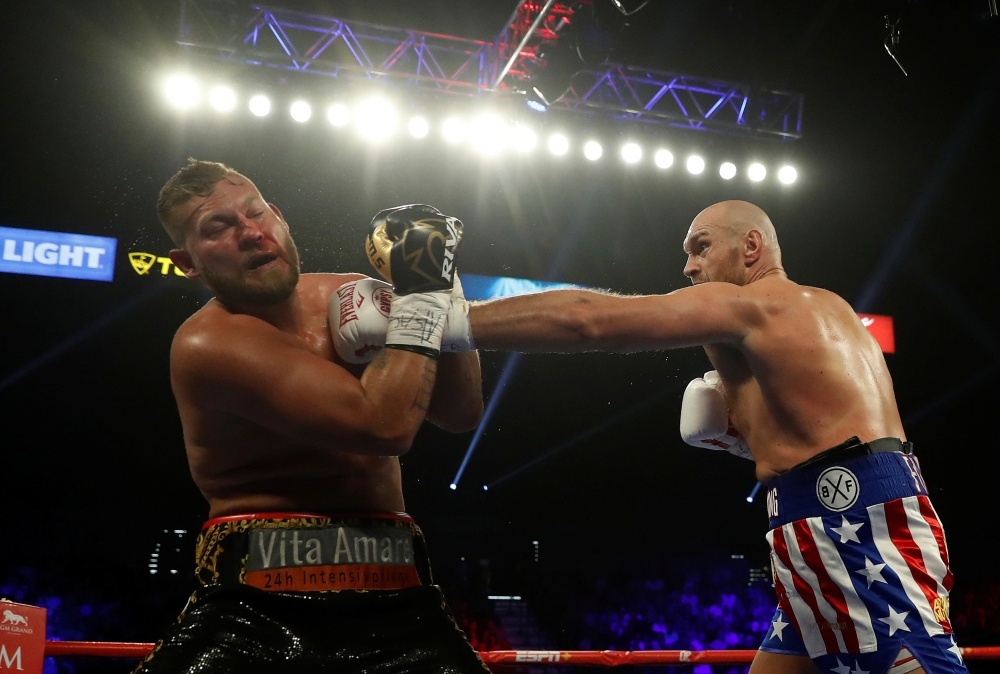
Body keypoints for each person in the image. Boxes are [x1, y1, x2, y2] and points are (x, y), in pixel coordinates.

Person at [337, 200, 962, 674]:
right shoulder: (822, 309)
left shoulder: (755, 306)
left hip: (850, 522)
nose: (687, 265)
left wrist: (434, 317)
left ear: (751, 246)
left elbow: (591, 322)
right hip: (820, 516)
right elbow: (840, 428)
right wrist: (749, 438)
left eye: (700, 247)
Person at [136, 159, 488, 674]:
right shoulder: (206, 343)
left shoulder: (351, 294)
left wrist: (441, 282)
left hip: (398, 600)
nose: (251, 233)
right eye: (219, 227)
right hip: (251, 611)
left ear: (279, 217)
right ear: (187, 262)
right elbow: (383, 428)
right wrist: (422, 299)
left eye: (256, 213)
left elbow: (460, 412)